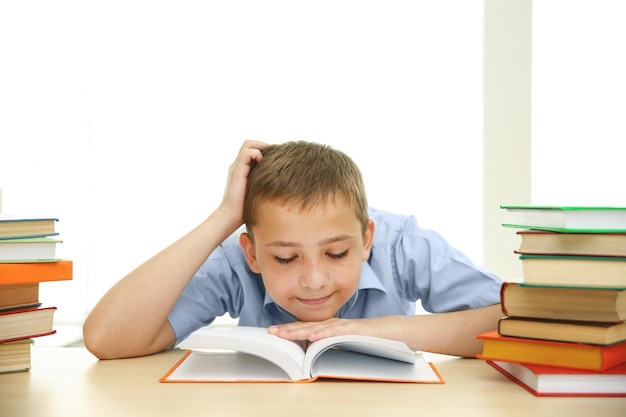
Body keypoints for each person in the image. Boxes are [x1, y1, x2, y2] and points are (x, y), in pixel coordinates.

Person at [83, 140, 504, 360]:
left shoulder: (402, 246)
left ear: (366, 239)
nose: (314, 280)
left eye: (337, 253)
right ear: (252, 253)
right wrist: (223, 219)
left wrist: (375, 330)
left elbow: (518, 321)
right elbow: (107, 340)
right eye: (285, 258)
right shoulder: (236, 261)